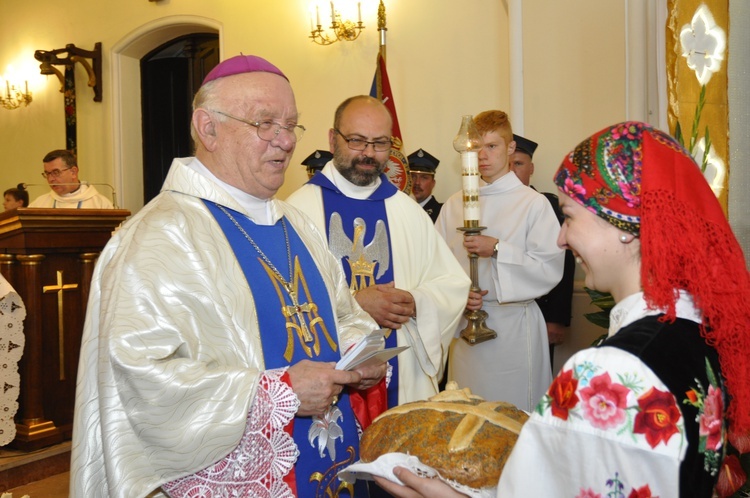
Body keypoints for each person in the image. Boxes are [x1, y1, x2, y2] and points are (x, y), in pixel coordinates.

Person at [374, 121, 750, 498]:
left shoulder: (610, 375)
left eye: (569, 216)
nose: (561, 237)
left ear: (625, 224)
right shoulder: (695, 330)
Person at [69, 55, 387, 498]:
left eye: (291, 125)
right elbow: (137, 380)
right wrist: (275, 396)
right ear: (208, 128)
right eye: (265, 123)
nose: (285, 140)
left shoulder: (298, 224)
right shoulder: (159, 237)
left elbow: (341, 312)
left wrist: (359, 352)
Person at [286, 95, 470, 410]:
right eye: (357, 141)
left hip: (403, 374)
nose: (369, 154)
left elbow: (451, 284)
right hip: (326, 388)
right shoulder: (296, 211)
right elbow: (283, 304)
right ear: (333, 139)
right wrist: (354, 306)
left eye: (380, 143)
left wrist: (416, 303)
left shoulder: (407, 211)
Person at [435, 111, 564, 412]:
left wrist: (497, 249)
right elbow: (436, 266)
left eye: (492, 146)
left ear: (510, 148)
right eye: (476, 148)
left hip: (514, 331)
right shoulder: (454, 205)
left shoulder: (533, 204)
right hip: (466, 329)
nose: (483, 155)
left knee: (512, 414)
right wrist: (457, 295)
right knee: (466, 412)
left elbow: (549, 266)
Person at [510, 133, 576, 367]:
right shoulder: (491, 205)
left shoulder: (547, 205)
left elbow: (564, 264)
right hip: (504, 316)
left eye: (518, 164)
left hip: (541, 311)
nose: (512, 170)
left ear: (532, 168)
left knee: (535, 375)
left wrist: (557, 319)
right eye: (508, 164)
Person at [28, 149, 114, 209]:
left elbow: (116, 234)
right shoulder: (39, 204)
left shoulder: (99, 204)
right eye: (47, 173)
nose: (50, 179)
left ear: (73, 172)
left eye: (56, 172)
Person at [407, 148, 442, 222]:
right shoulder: (398, 210)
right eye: (413, 176)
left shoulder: (441, 213)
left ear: (433, 183)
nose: (417, 182)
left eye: (424, 178)